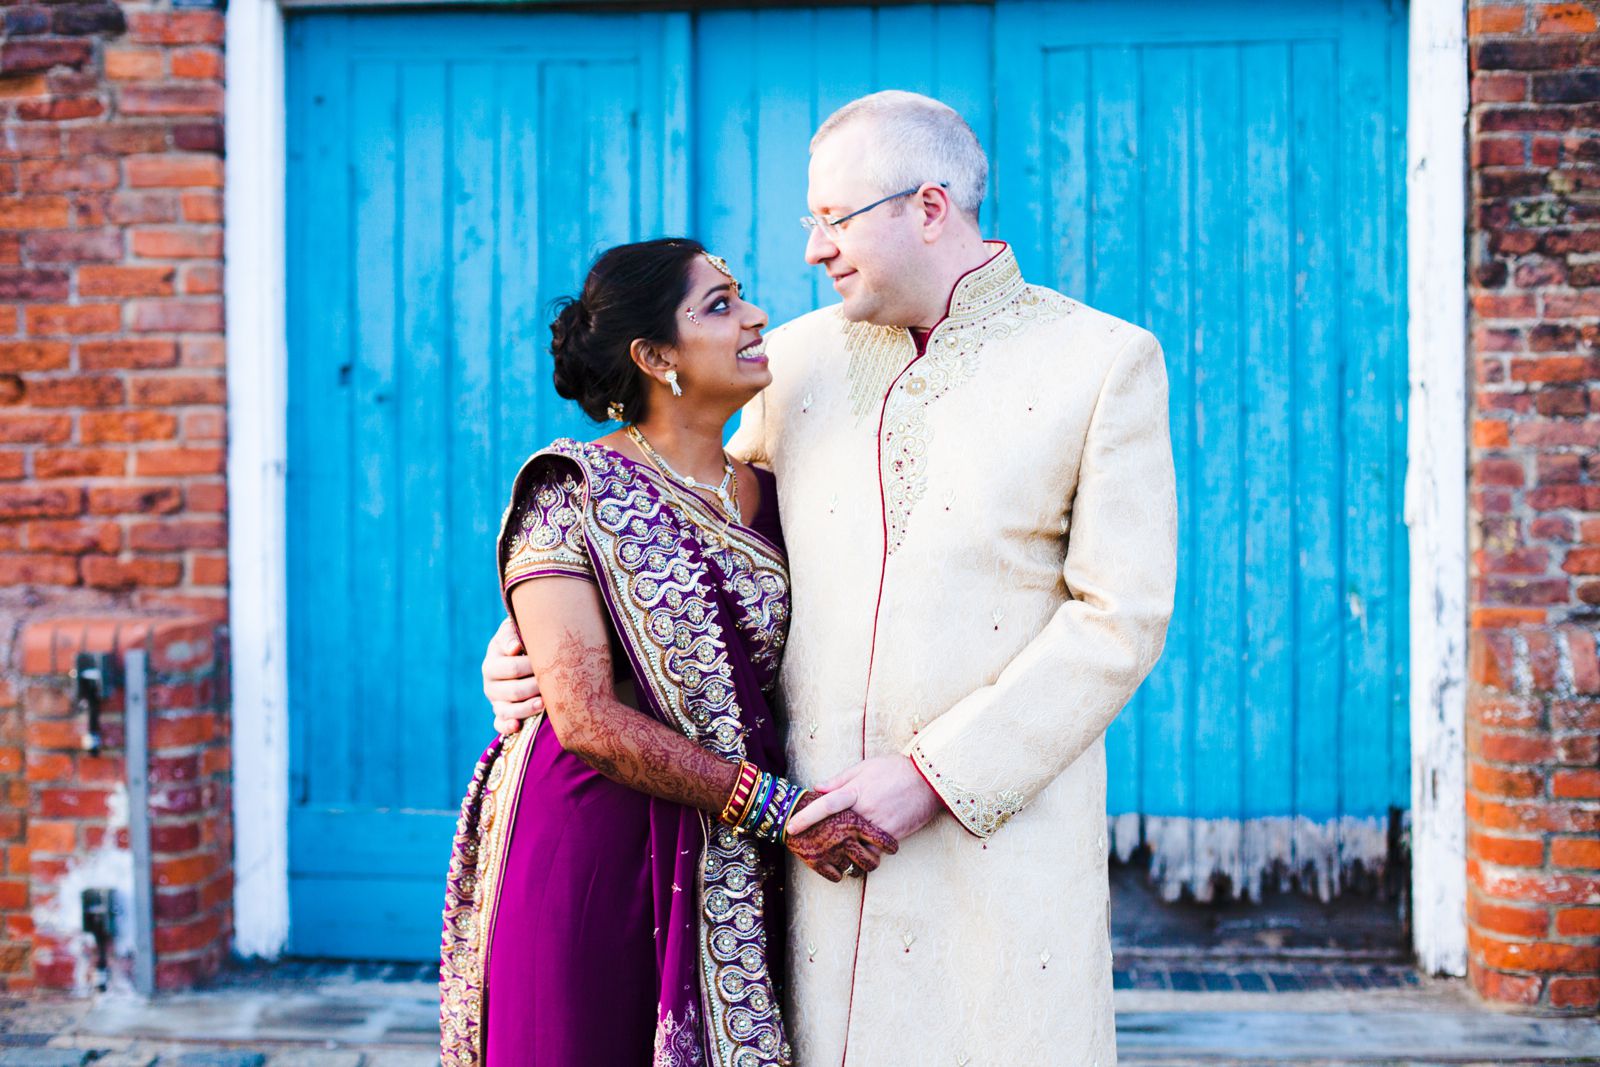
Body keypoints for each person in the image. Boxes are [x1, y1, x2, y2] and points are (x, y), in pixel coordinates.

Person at [483, 92, 1177, 1065]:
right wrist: (527, 646)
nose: (811, 249)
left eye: (833, 218)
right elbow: (684, 535)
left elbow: (1120, 619)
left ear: (928, 207)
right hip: (803, 851)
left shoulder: (1098, 363)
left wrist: (933, 776)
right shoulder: (794, 364)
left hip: (993, 838)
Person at [440, 238, 898, 1067]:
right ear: (656, 357)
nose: (756, 314)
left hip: (729, 851)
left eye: (741, 294)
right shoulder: (572, 491)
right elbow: (581, 715)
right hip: (591, 841)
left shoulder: (774, 488)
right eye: (718, 305)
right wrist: (775, 808)